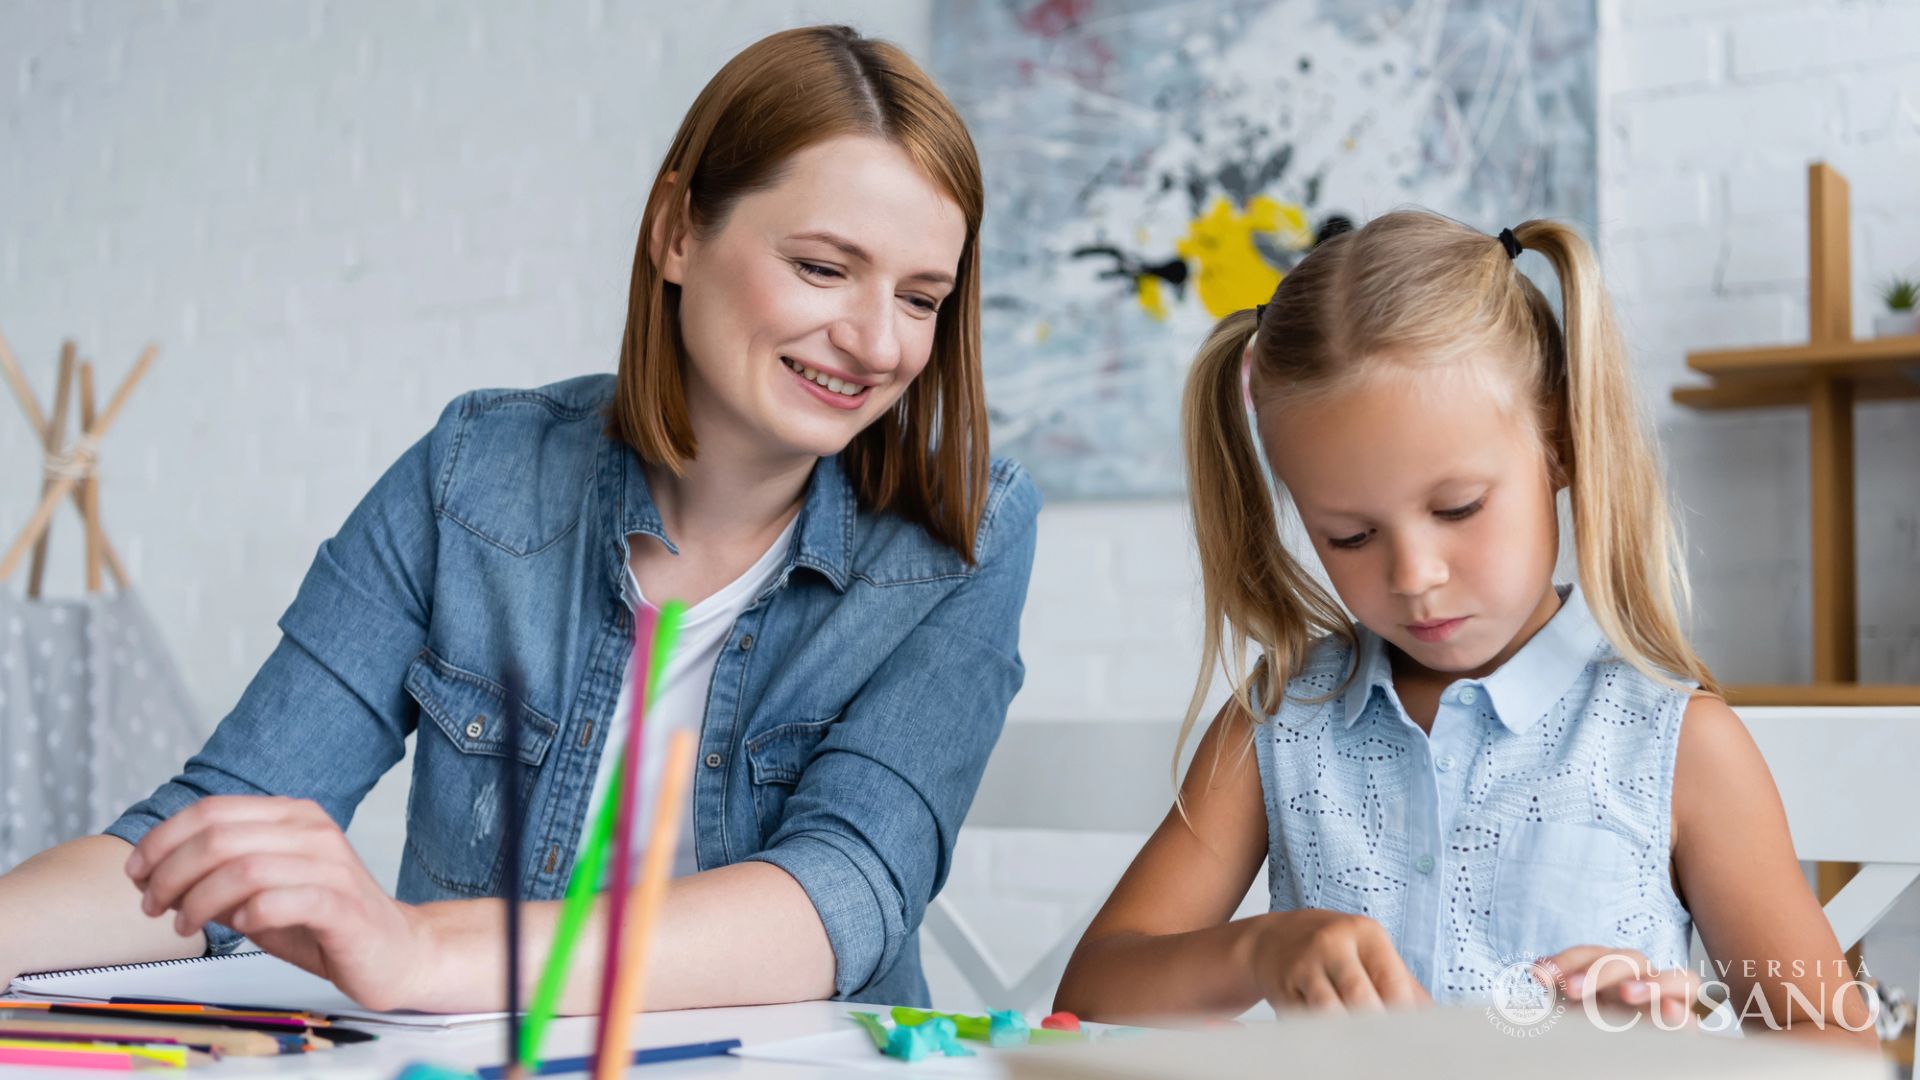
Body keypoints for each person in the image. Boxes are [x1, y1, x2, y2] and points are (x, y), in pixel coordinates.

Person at [0, 25, 1040, 1013]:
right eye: (823, 268)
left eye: (920, 298)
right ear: (677, 230)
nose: (876, 342)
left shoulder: (966, 535)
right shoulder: (476, 475)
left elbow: (840, 892)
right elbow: (214, 826)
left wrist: (421, 952)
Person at [1054, 210, 1875, 1046]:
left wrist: (1666, 1050)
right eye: (1350, 536)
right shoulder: (1279, 724)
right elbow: (1089, 994)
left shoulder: (1680, 745)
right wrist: (1258, 952)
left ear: (1559, 441)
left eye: (1458, 508)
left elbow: (1838, 1051)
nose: (1413, 577)